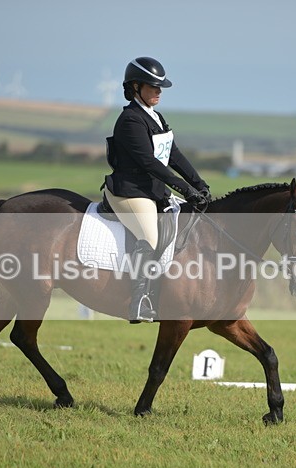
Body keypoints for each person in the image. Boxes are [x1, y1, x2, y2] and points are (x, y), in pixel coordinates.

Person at [102, 56, 211, 323]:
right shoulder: (130, 120)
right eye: (153, 87)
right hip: (129, 193)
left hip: (153, 192)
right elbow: (149, 162)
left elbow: (173, 154)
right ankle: (139, 302)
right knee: (149, 237)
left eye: (160, 87)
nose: (159, 92)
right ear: (135, 87)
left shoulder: (156, 117)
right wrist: (184, 188)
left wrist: (199, 184)